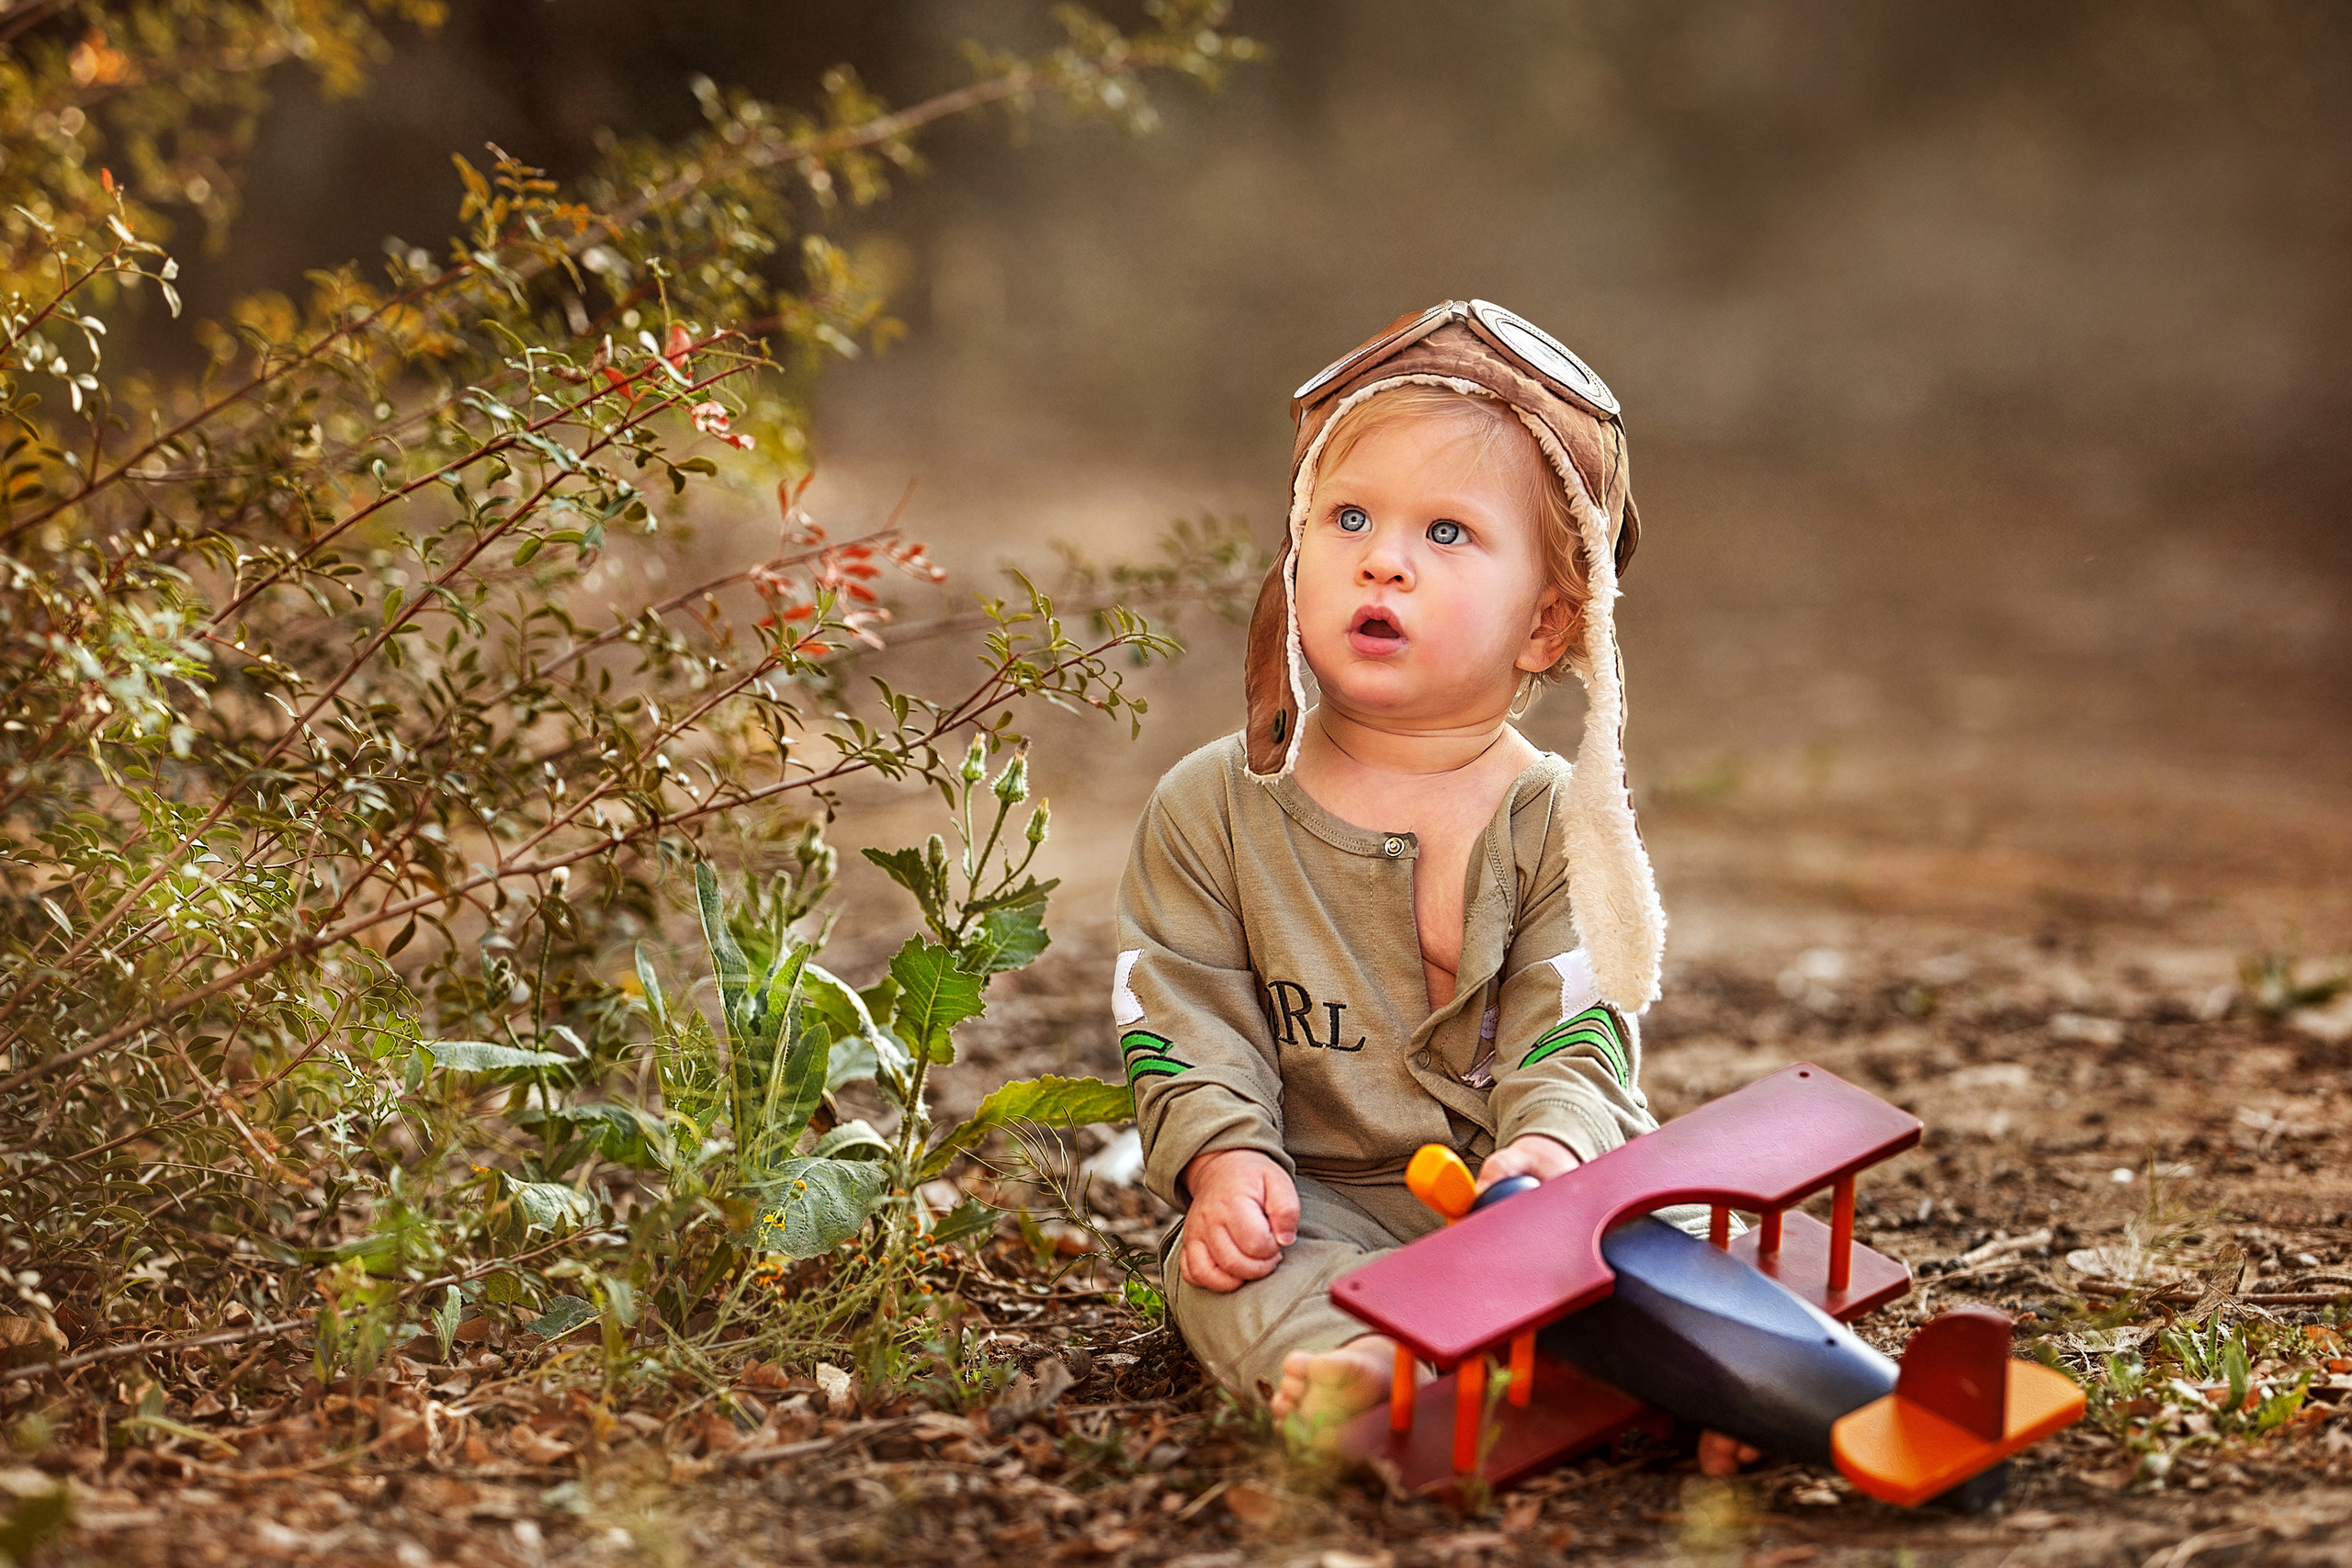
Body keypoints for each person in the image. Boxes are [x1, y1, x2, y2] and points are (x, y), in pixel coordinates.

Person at [1114, 301, 1757, 1472]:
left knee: (1648, 1226)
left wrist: (1554, 1151)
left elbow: (1581, 1019)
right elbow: (1181, 1008)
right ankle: (1364, 1359)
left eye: (1447, 533)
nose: (1382, 555)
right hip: (1331, 1192)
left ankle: (1717, 1376)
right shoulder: (1211, 806)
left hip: (1530, 1186)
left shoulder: (1564, 820)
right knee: (1223, 1273)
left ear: (1549, 624)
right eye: (1347, 516)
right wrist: (1226, 1157)